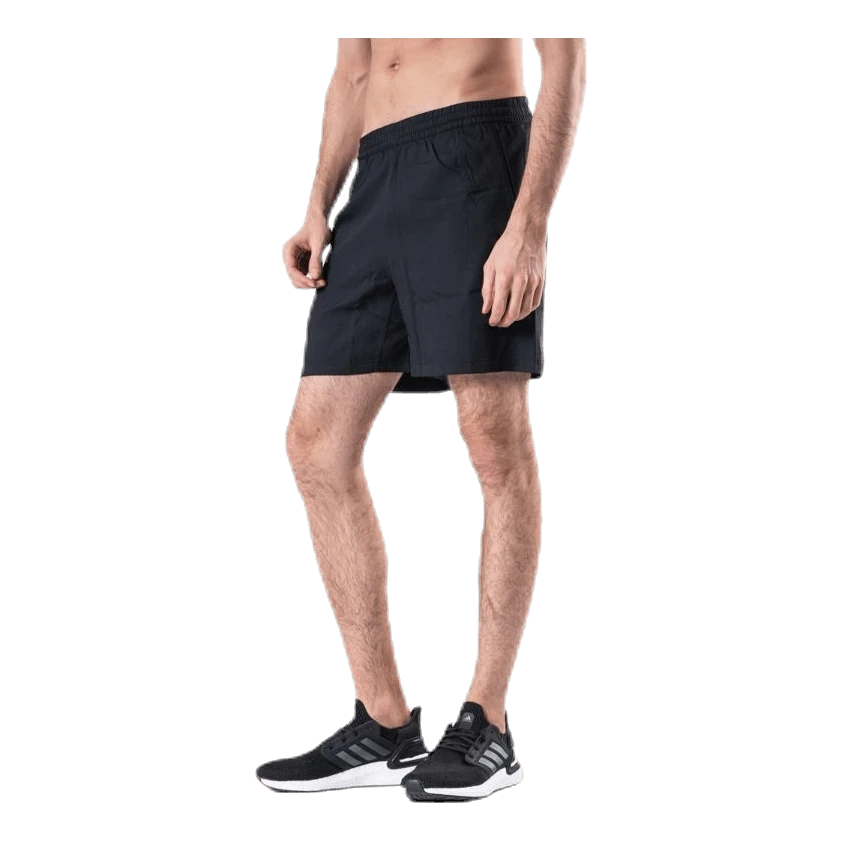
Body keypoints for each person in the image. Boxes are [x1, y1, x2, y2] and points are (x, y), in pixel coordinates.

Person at [263, 35, 586, 801]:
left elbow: (565, 58)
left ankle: (488, 722)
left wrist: (527, 229)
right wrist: (318, 203)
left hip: (473, 155)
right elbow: (355, 67)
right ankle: (383, 722)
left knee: (494, 442)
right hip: (375, 175)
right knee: (316, 442)